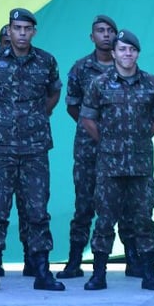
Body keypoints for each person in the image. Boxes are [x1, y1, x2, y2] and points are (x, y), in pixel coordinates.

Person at [0, 8, 64, 291]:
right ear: (9, 31)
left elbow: (54, 91)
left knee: (37, 210)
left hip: (35, 147)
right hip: (2, 147)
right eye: (17, 28)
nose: (22, 33)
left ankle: (42, 272)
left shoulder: (46, 61)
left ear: (34, 32)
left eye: (27, 28)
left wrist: (38, 116)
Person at [78, 30, 154, 291]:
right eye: (122, 49)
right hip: (109, 165)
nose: (127, 54)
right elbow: (87, 118)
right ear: (114, 53)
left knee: (143, 220)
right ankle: (98, 275)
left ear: (137, 53)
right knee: (105, 220)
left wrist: (139, 137)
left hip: (140, 165)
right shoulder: (99, 83)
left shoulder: (151, 83)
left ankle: (149, 274)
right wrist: (106, 141)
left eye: (132, 50)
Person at [58, 15, 117, 279]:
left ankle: (136, 260)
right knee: (84, 204)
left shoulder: (126, 65)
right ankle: (74, 260)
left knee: (123, 204)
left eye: (109, 31)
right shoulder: (81, 68)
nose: (105, 35)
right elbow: (72, 105)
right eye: (100, 31)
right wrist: (91, 128)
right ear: (91, 37)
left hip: (121, 148)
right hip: (87, 147)